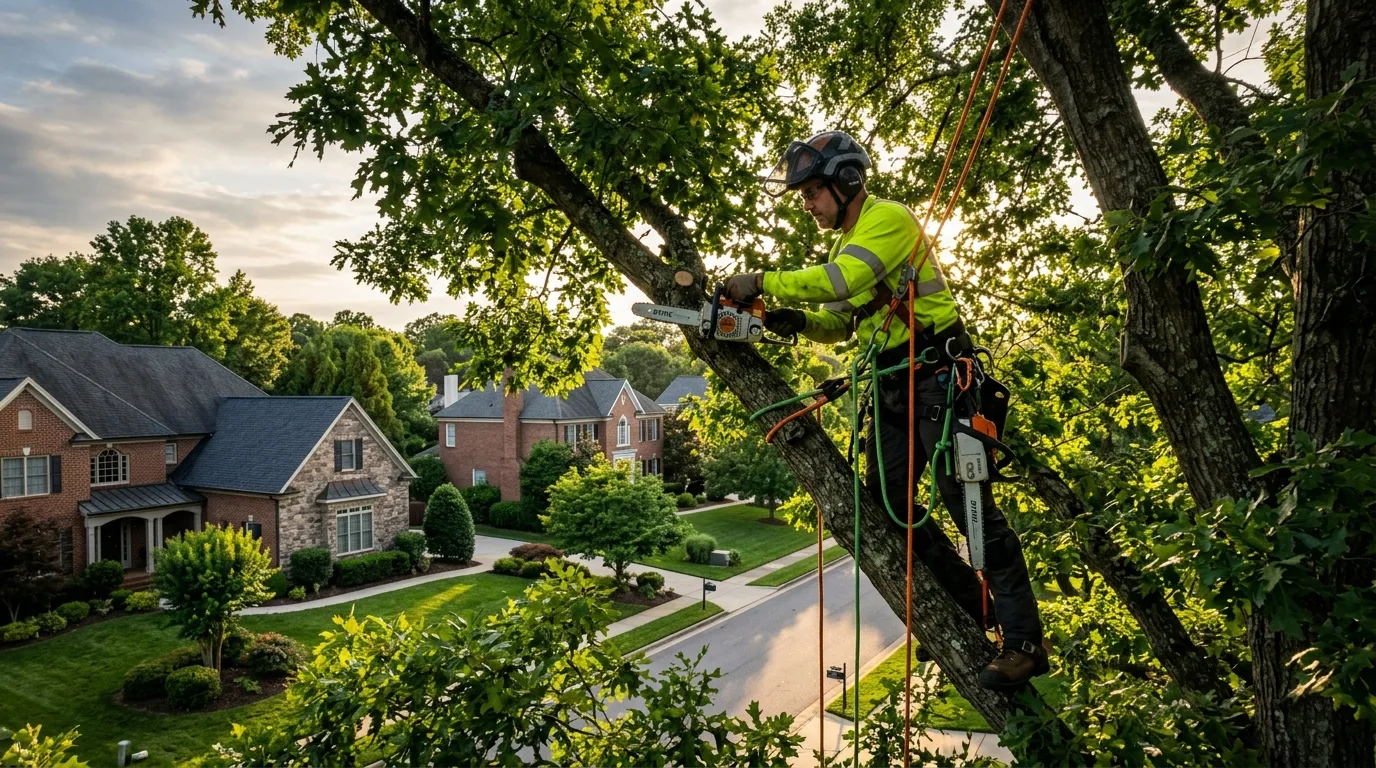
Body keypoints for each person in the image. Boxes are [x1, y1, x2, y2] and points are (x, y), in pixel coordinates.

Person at [724, 130, 1047, 689]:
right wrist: (794, 320)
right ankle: (974, 611)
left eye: (813, 192)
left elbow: (841, 281)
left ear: (846, 182)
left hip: (943, 379)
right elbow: (845, 319)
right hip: (894, 383)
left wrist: (761, 278)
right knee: (890, 506)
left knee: (966, 502)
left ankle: (1024, 642)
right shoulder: (841, 245)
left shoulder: (889, 220)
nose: (807, 204)